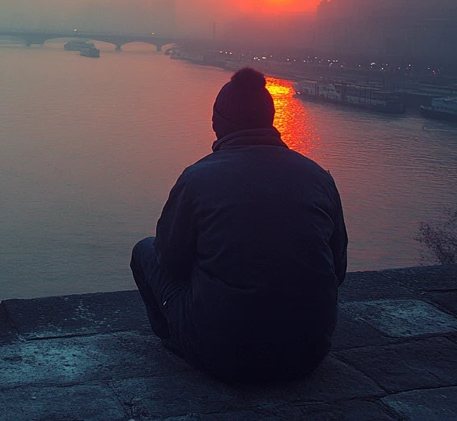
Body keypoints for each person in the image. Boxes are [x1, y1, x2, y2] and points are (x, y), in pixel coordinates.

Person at [130, 67, 347, 383]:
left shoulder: (197, 179)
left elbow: (170, 262)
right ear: (269, 119)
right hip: (308, 353)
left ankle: (175, 340)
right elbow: (336, 271)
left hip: (223, 355)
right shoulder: (318, 178)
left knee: (145, 251)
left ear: (218, 123)